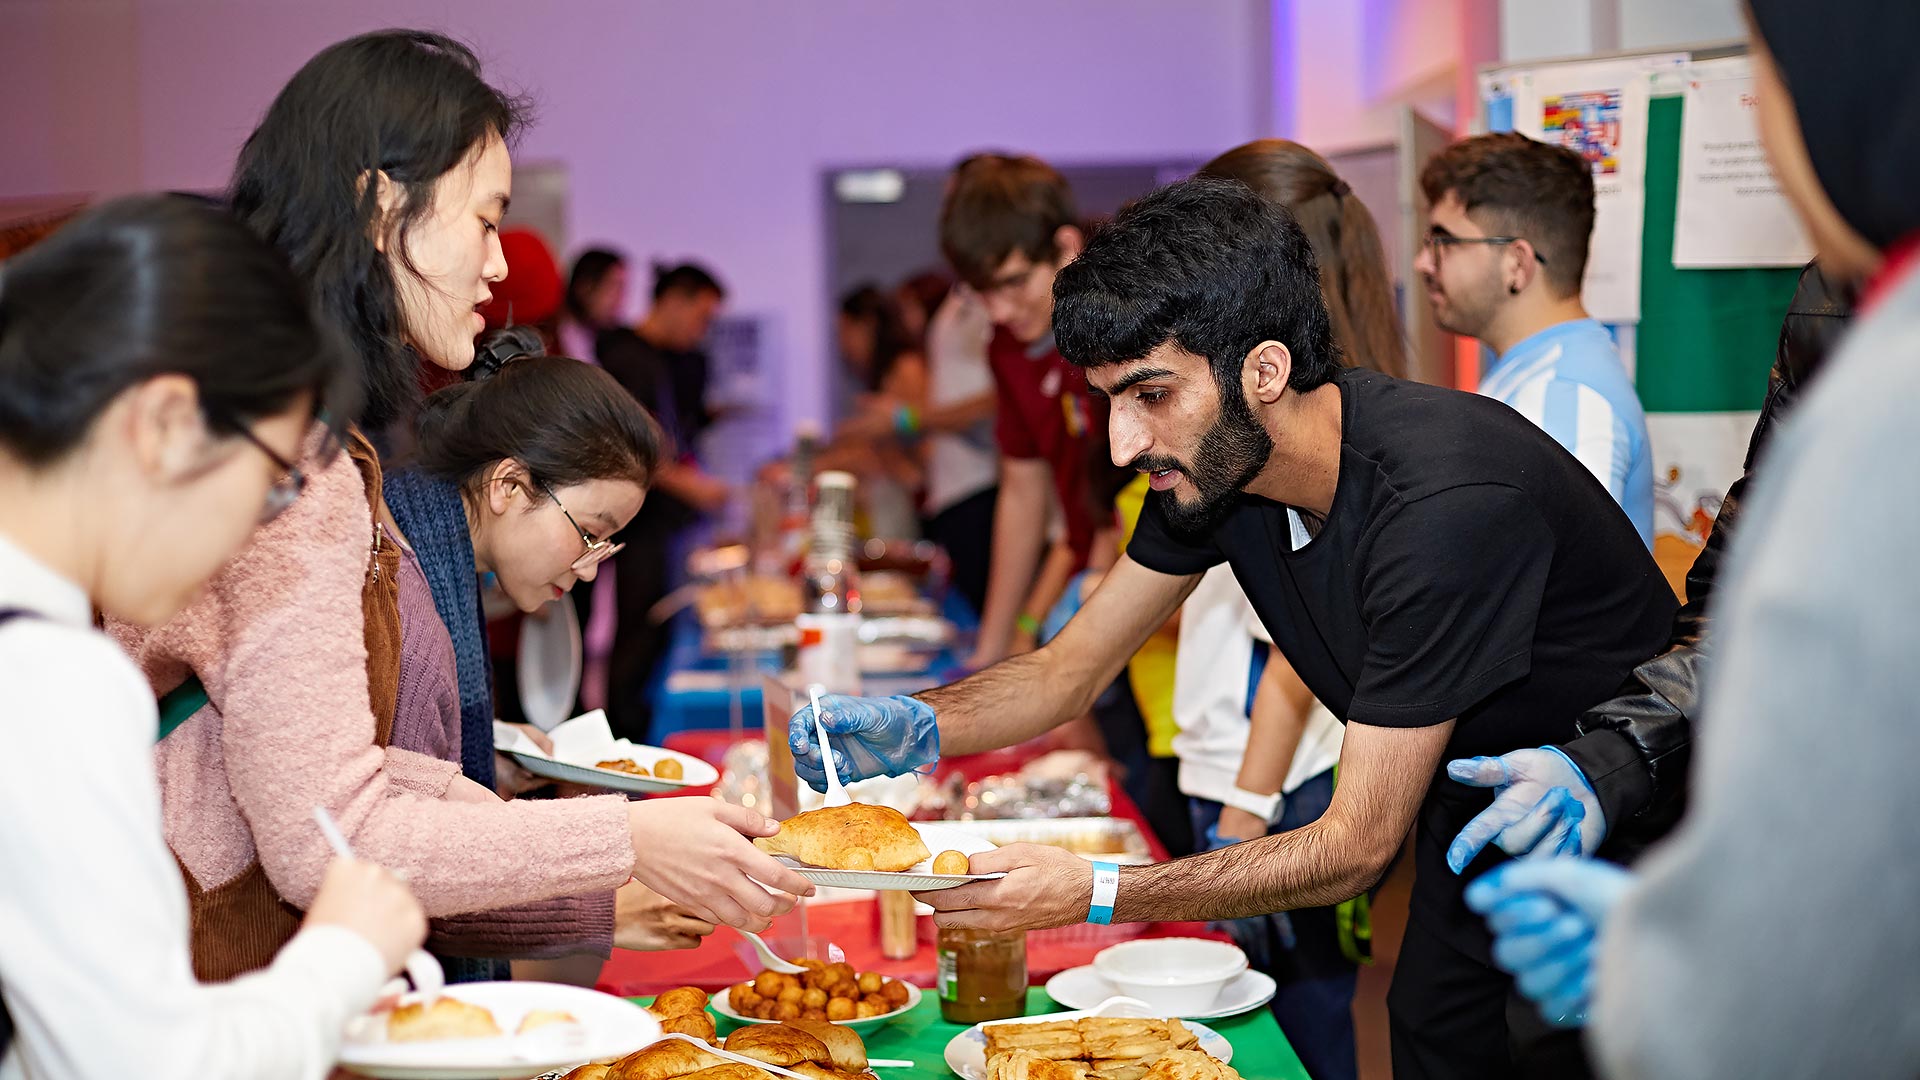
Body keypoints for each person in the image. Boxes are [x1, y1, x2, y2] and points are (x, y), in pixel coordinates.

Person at [791, 176, 1678, 1080]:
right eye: (1108, 399)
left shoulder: (1442, 505)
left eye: (1150, 394)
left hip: (1632, 834)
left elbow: (1355, 845)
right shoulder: (1218, 467)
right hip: (1481, 817)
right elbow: (1067, 672)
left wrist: (1092, 892)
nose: (1121, 445)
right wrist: (921, 722)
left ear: (1264, 370)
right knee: (1433, 1040)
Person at [107, 30, 809, 984]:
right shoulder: (289, 467)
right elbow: (333, 834)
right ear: (382, 202)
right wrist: (621, 841)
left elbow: (359, 769)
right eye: (485, 222)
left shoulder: (304, 435)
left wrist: (600, 859)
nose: (498, 267)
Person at [1462, 4, 1920, 1076]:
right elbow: (1746, 597)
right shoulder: (1844, 305)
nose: (1761, 119)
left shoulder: (1891, 397)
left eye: (1770, 81)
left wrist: (1689, 977)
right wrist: (1613, 758)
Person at [0, 195, 425, 1078]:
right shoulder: (51, 679)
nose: (251, 533)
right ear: (162, 422)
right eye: (270, 482)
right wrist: (342, 953)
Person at [1151, 137, 1411, 1080]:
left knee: (1287, 1034)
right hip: (1244, 768)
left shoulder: (1305, 421)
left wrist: (1247, 808)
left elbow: (1303, 646)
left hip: (1276, 783)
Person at [384, 327, 716, 982]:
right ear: (508, 486)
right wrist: (600, 903)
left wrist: (487, 762)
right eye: (590, 534)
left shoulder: (432, 557)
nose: (589, 570)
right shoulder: (404, 596)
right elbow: (383, 856)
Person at [1414, 133, 1654, 545]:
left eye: (1444, 242)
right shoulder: (1543, 377)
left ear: (1517, 263)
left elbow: (1555, 592)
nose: (1423, 263)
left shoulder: (1561, 397)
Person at [939, 154, 1112, 669]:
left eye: (1015, 283)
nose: (1000, 312)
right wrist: (995, 647)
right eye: (981, 292)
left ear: (1066, 246)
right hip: (1088, 568)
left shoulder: (1121, 324)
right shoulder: (1007, 347)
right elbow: (1022, 491)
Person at [596, 262, 732, 742]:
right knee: (636, 641)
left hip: (656, 526)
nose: (703, 330)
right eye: (701, 316)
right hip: (637, 528)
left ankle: (637, 743)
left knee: (649, 641)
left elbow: (667, 443)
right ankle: (625, 752)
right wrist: (693, 487)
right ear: (673, 300)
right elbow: (632, 451)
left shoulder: (659, 359)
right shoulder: (627, 357)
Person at [820, 284, 926, 539]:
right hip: (900, 496)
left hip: (916, 500)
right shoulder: (886, 374)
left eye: (845, 332)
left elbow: (922, 428)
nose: (842, 345)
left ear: (867, 325)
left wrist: (889, 423)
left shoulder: (906, 367)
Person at [562, 247, 627, 362]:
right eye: (613, 287)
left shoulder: (605, 345)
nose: (620, 299)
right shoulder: (549, 340)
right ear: (584, 286)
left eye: (623, 289)